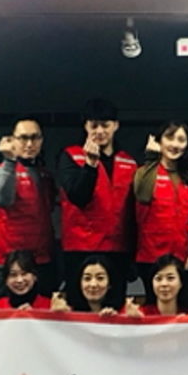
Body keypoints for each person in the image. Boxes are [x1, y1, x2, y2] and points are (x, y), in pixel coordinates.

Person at [56, 98, 137, 305]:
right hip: (80, 248)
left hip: (118, 249)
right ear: (85, 126)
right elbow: (78, 196)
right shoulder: (71, 156)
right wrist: (90, 165)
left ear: (115, 126)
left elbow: (134, 212)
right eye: (94, 125)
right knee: (80, 310)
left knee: (115, 308)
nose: (99, 131)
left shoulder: (129, 161)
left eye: (105, 125)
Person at [0, 116, 57, 298]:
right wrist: (9, 162)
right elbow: (1, 199)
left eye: (35, 138)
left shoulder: (44, 173)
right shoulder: (4, 169)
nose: (29, 144)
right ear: (12, 140)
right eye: (23, 138)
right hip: (8, 262)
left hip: (41, 260)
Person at [134, 120, 188, 302]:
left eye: (181, 140)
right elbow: (142, 195)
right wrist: (151, 159)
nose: (175, 144)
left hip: (185, 259)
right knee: (154, 310)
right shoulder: (143, 173)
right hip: (151, 257)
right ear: (159, 141)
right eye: (169, 138)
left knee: (187, 311)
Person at [55, 255, 140, 316]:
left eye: (100, 278)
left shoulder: (125, 313)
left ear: (110, 283)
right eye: (87, 278)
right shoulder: (68, 313)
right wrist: (58, 316)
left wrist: (133, 321)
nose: (93, 284)